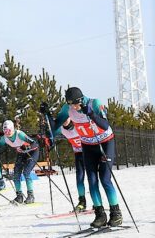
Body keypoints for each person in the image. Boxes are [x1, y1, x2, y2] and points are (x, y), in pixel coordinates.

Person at [43, 87, 122, 228]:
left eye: (75, 104)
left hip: (104, 142)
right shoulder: (67, 108)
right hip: (87, 145)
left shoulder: (95, 104)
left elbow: (105, 125)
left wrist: (91, 114)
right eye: (70, 104)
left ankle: (116, 213)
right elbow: (54, 128)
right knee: (92, 180)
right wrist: (47, 115)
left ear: (81, 99)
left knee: (104, 178)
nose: (73, 107)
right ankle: (100, 215)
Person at [0, 120, 39, 204]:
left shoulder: (20, 134)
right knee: (16, 174)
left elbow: (35, 144)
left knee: (26, 172)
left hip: (32, 152)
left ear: (13, 129)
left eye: (9, 130)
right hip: (21, 153)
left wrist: (28, 148)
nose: (7, 132)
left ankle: (31, 196)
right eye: (5, 130)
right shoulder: (4, 138)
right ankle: (19, 196)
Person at [54, 118, 87, 212]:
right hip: (78, 154)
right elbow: (52, 131)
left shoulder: (78, 125)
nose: (64, 120)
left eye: (66, 117)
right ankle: (82, 202)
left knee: (92, 178)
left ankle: (97, 204)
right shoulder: (62, 129)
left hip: (89, 153)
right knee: (79, 178)